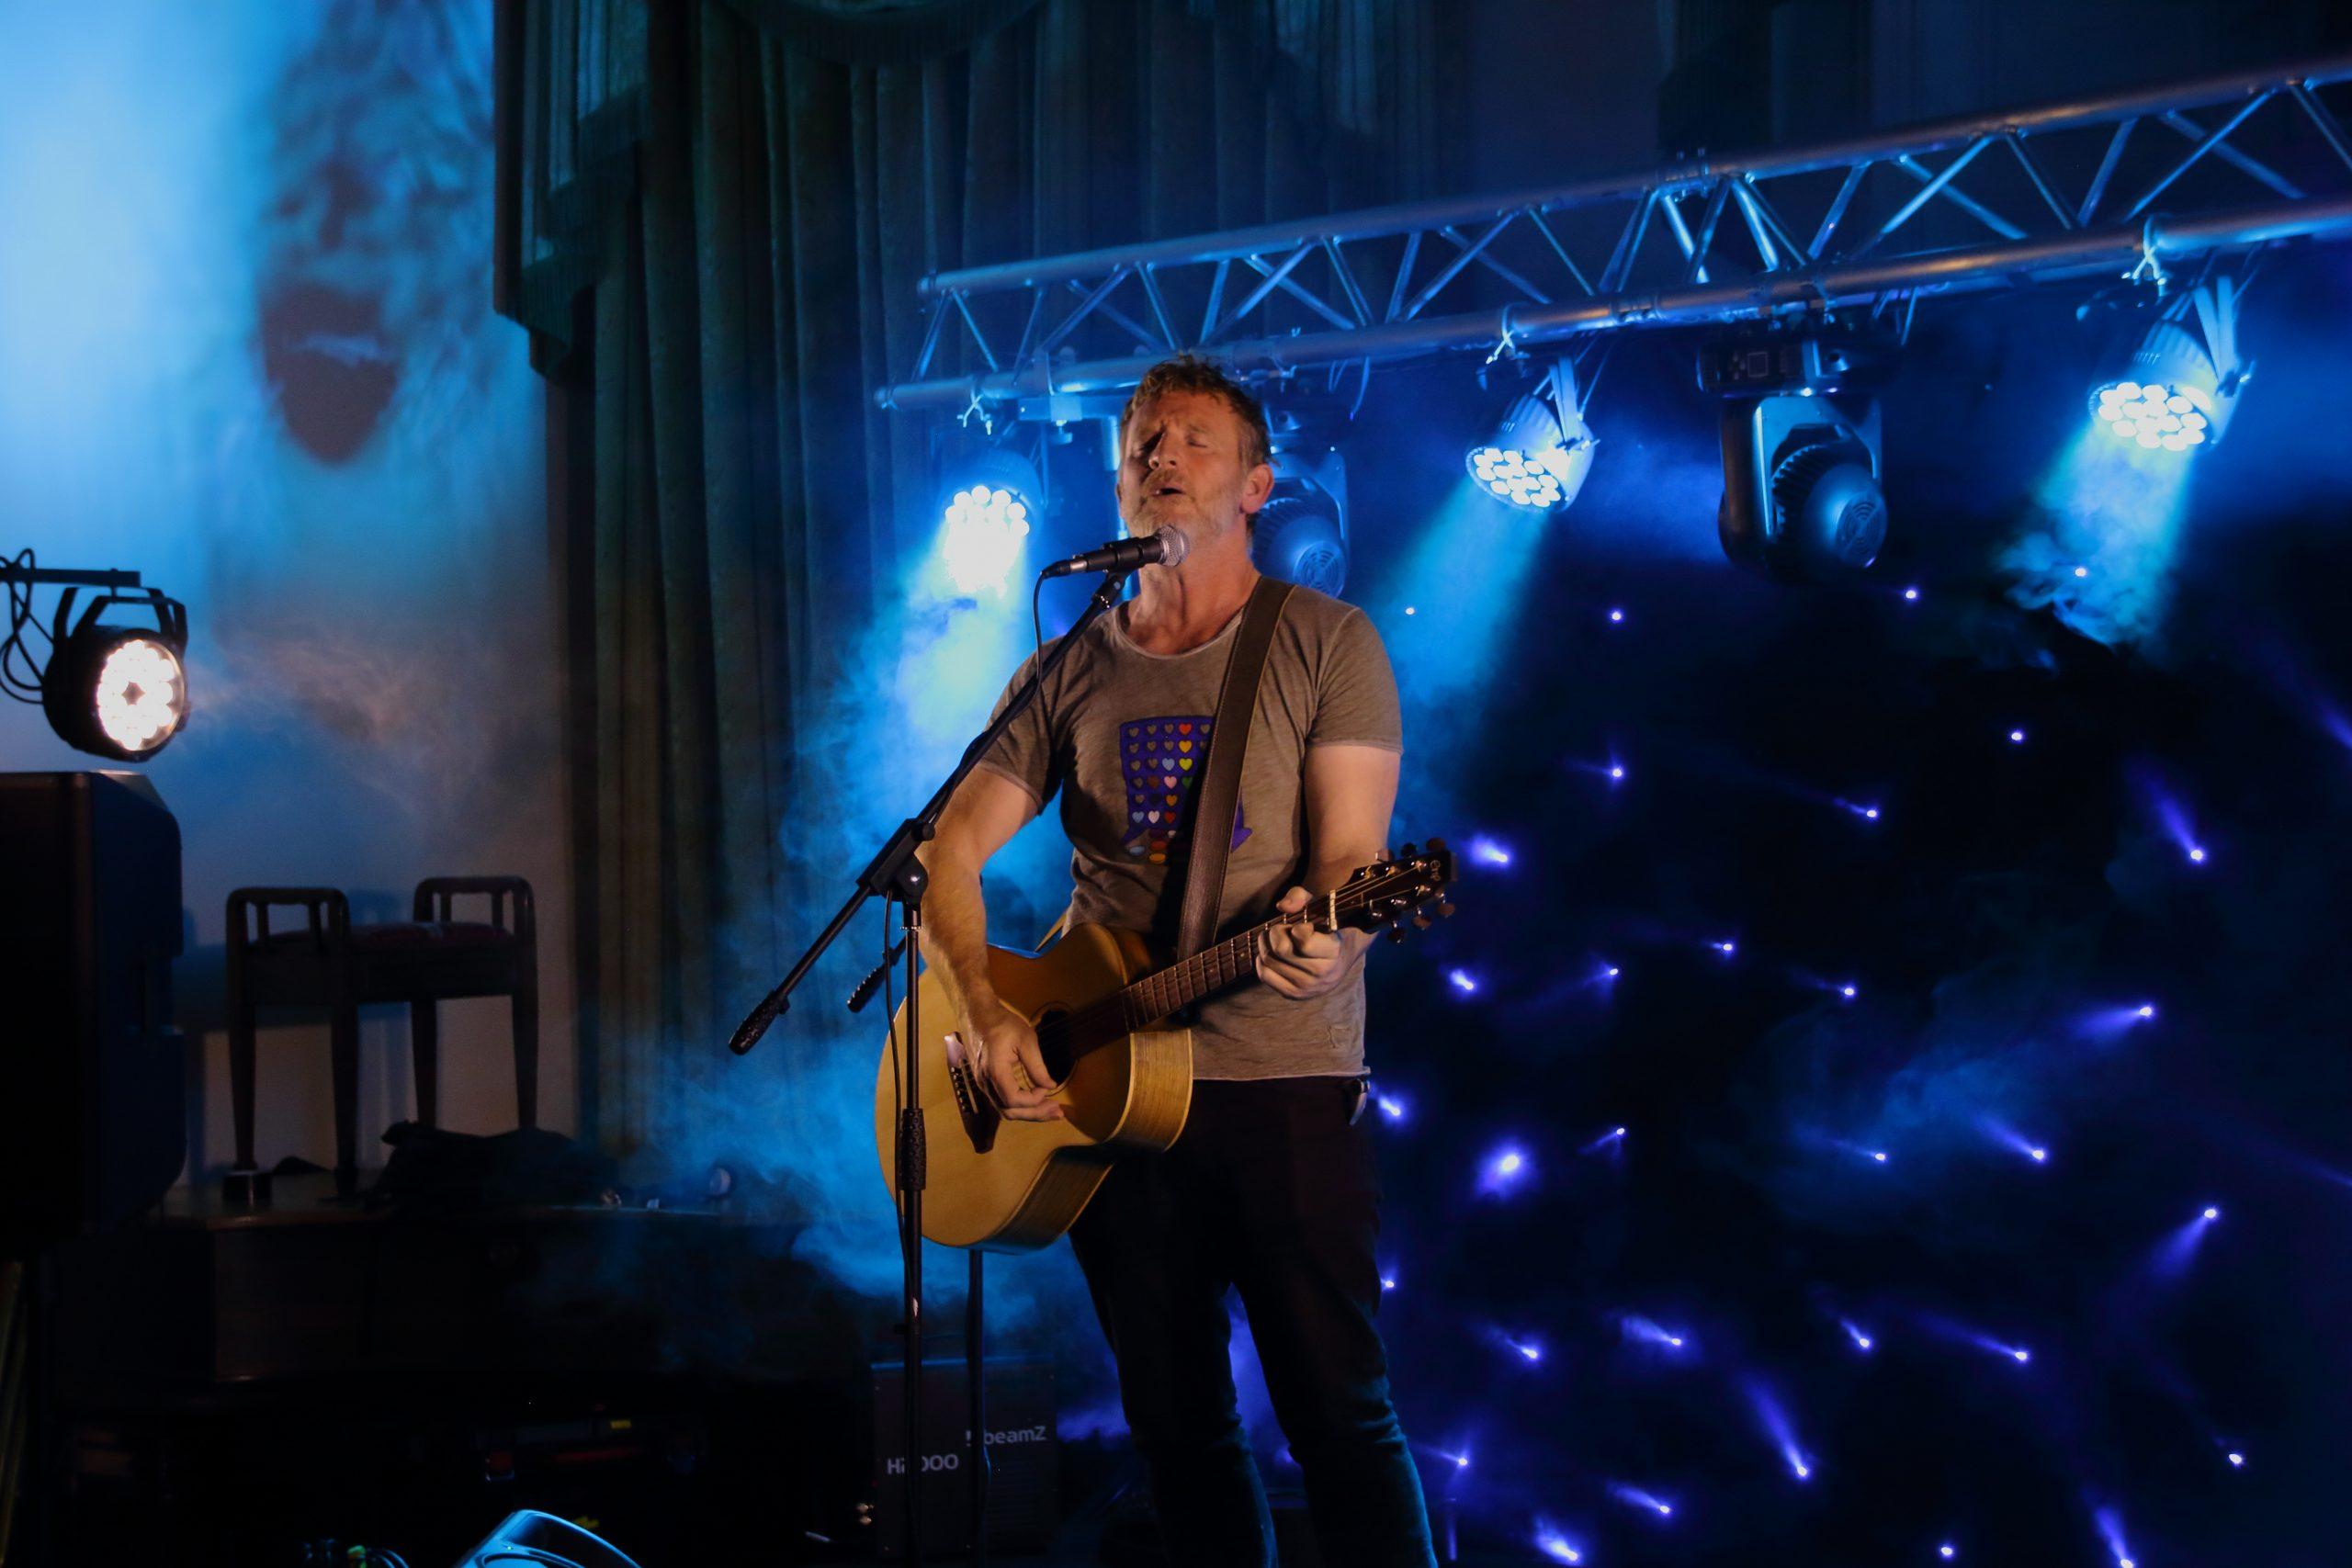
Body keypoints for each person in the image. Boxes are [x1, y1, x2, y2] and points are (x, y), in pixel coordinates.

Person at [914, 355, 1439, 1566]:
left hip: (1279, 1080)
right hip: (1107, 1094)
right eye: (1142, 439)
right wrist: (985, 1012)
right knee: (1177, 1433)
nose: (1160, 455)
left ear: (1258, 485)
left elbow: (1354, 858)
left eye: (1194, 438)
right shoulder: (1066, 665)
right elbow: (945, 854)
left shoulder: (1325, 640)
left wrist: (1339, 932)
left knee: (1340, 1418)